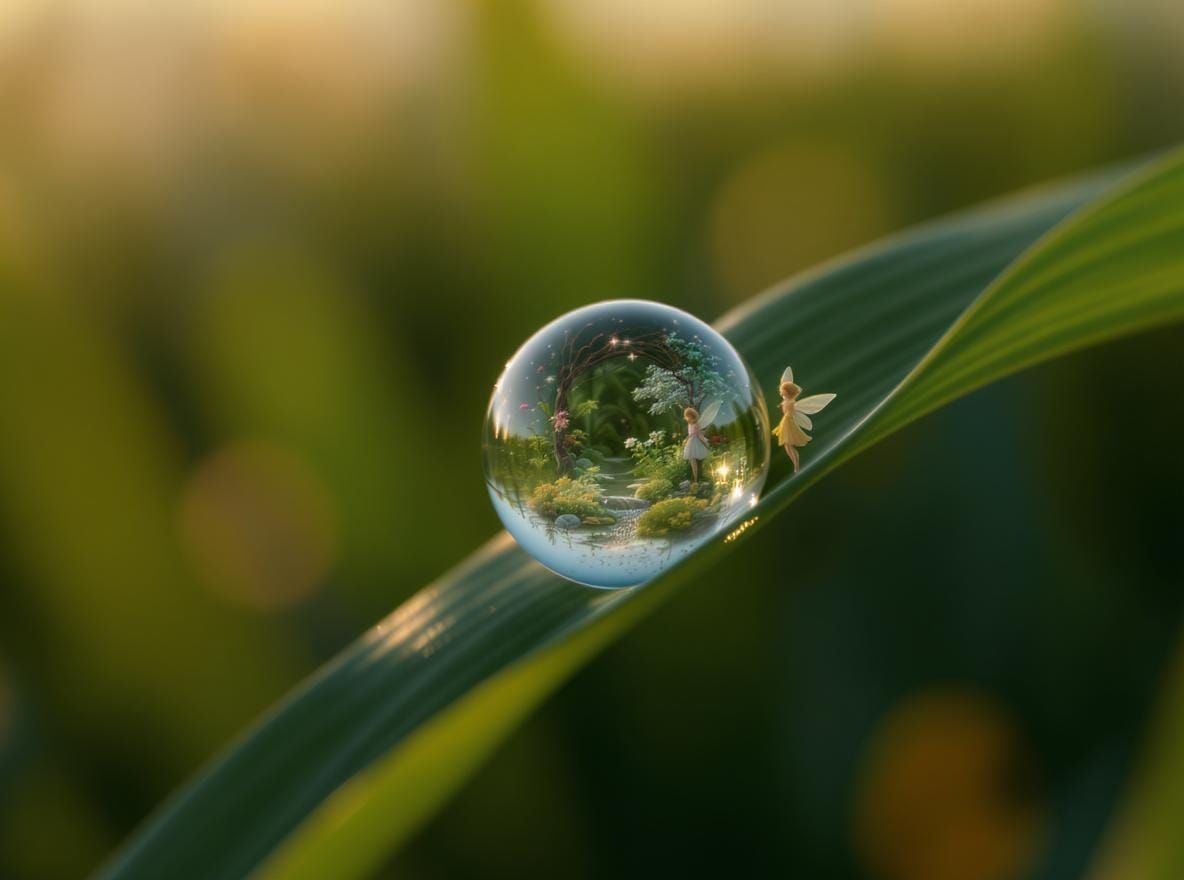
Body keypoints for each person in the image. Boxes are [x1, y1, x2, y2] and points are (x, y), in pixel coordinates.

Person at [683, 406, 710, 484]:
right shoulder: (689, 424)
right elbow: (689, 435)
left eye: (689, 416)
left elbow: (699, 435)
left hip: (695, 443)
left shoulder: (696, 424)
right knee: (692, 462)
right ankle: (695, 478)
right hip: (690, 443)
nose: (688, 417)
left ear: (692, 415)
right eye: (687, 416)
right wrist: (685, 440)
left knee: (697, 462)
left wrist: (705, 442)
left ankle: (697, 479)